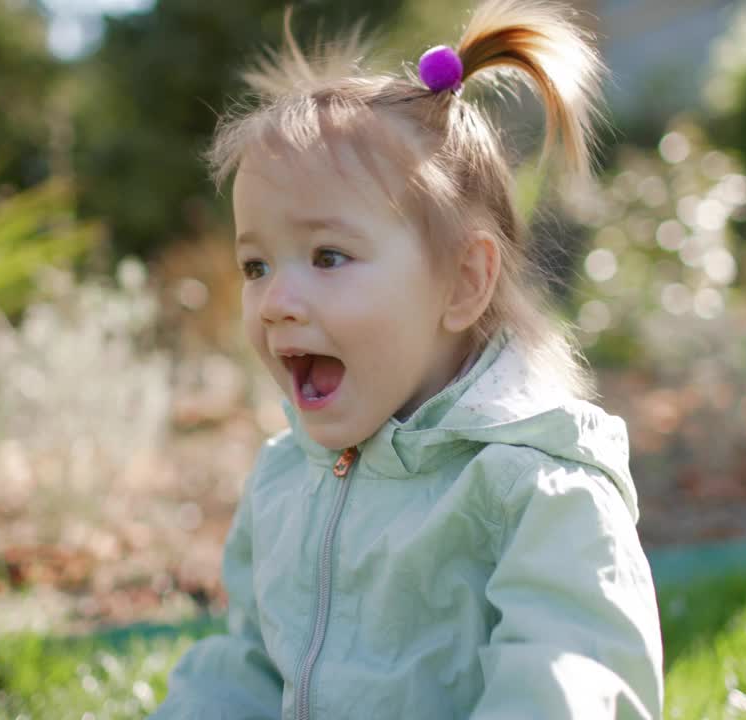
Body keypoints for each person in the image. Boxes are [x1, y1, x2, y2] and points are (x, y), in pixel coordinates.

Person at [151, 1, 663, 717]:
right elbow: (255, 666)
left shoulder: (533, 490)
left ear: (463, 282)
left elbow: (567, 682)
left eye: (328, 256)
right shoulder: (285, 481)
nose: (275, 302)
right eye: (256, 265)